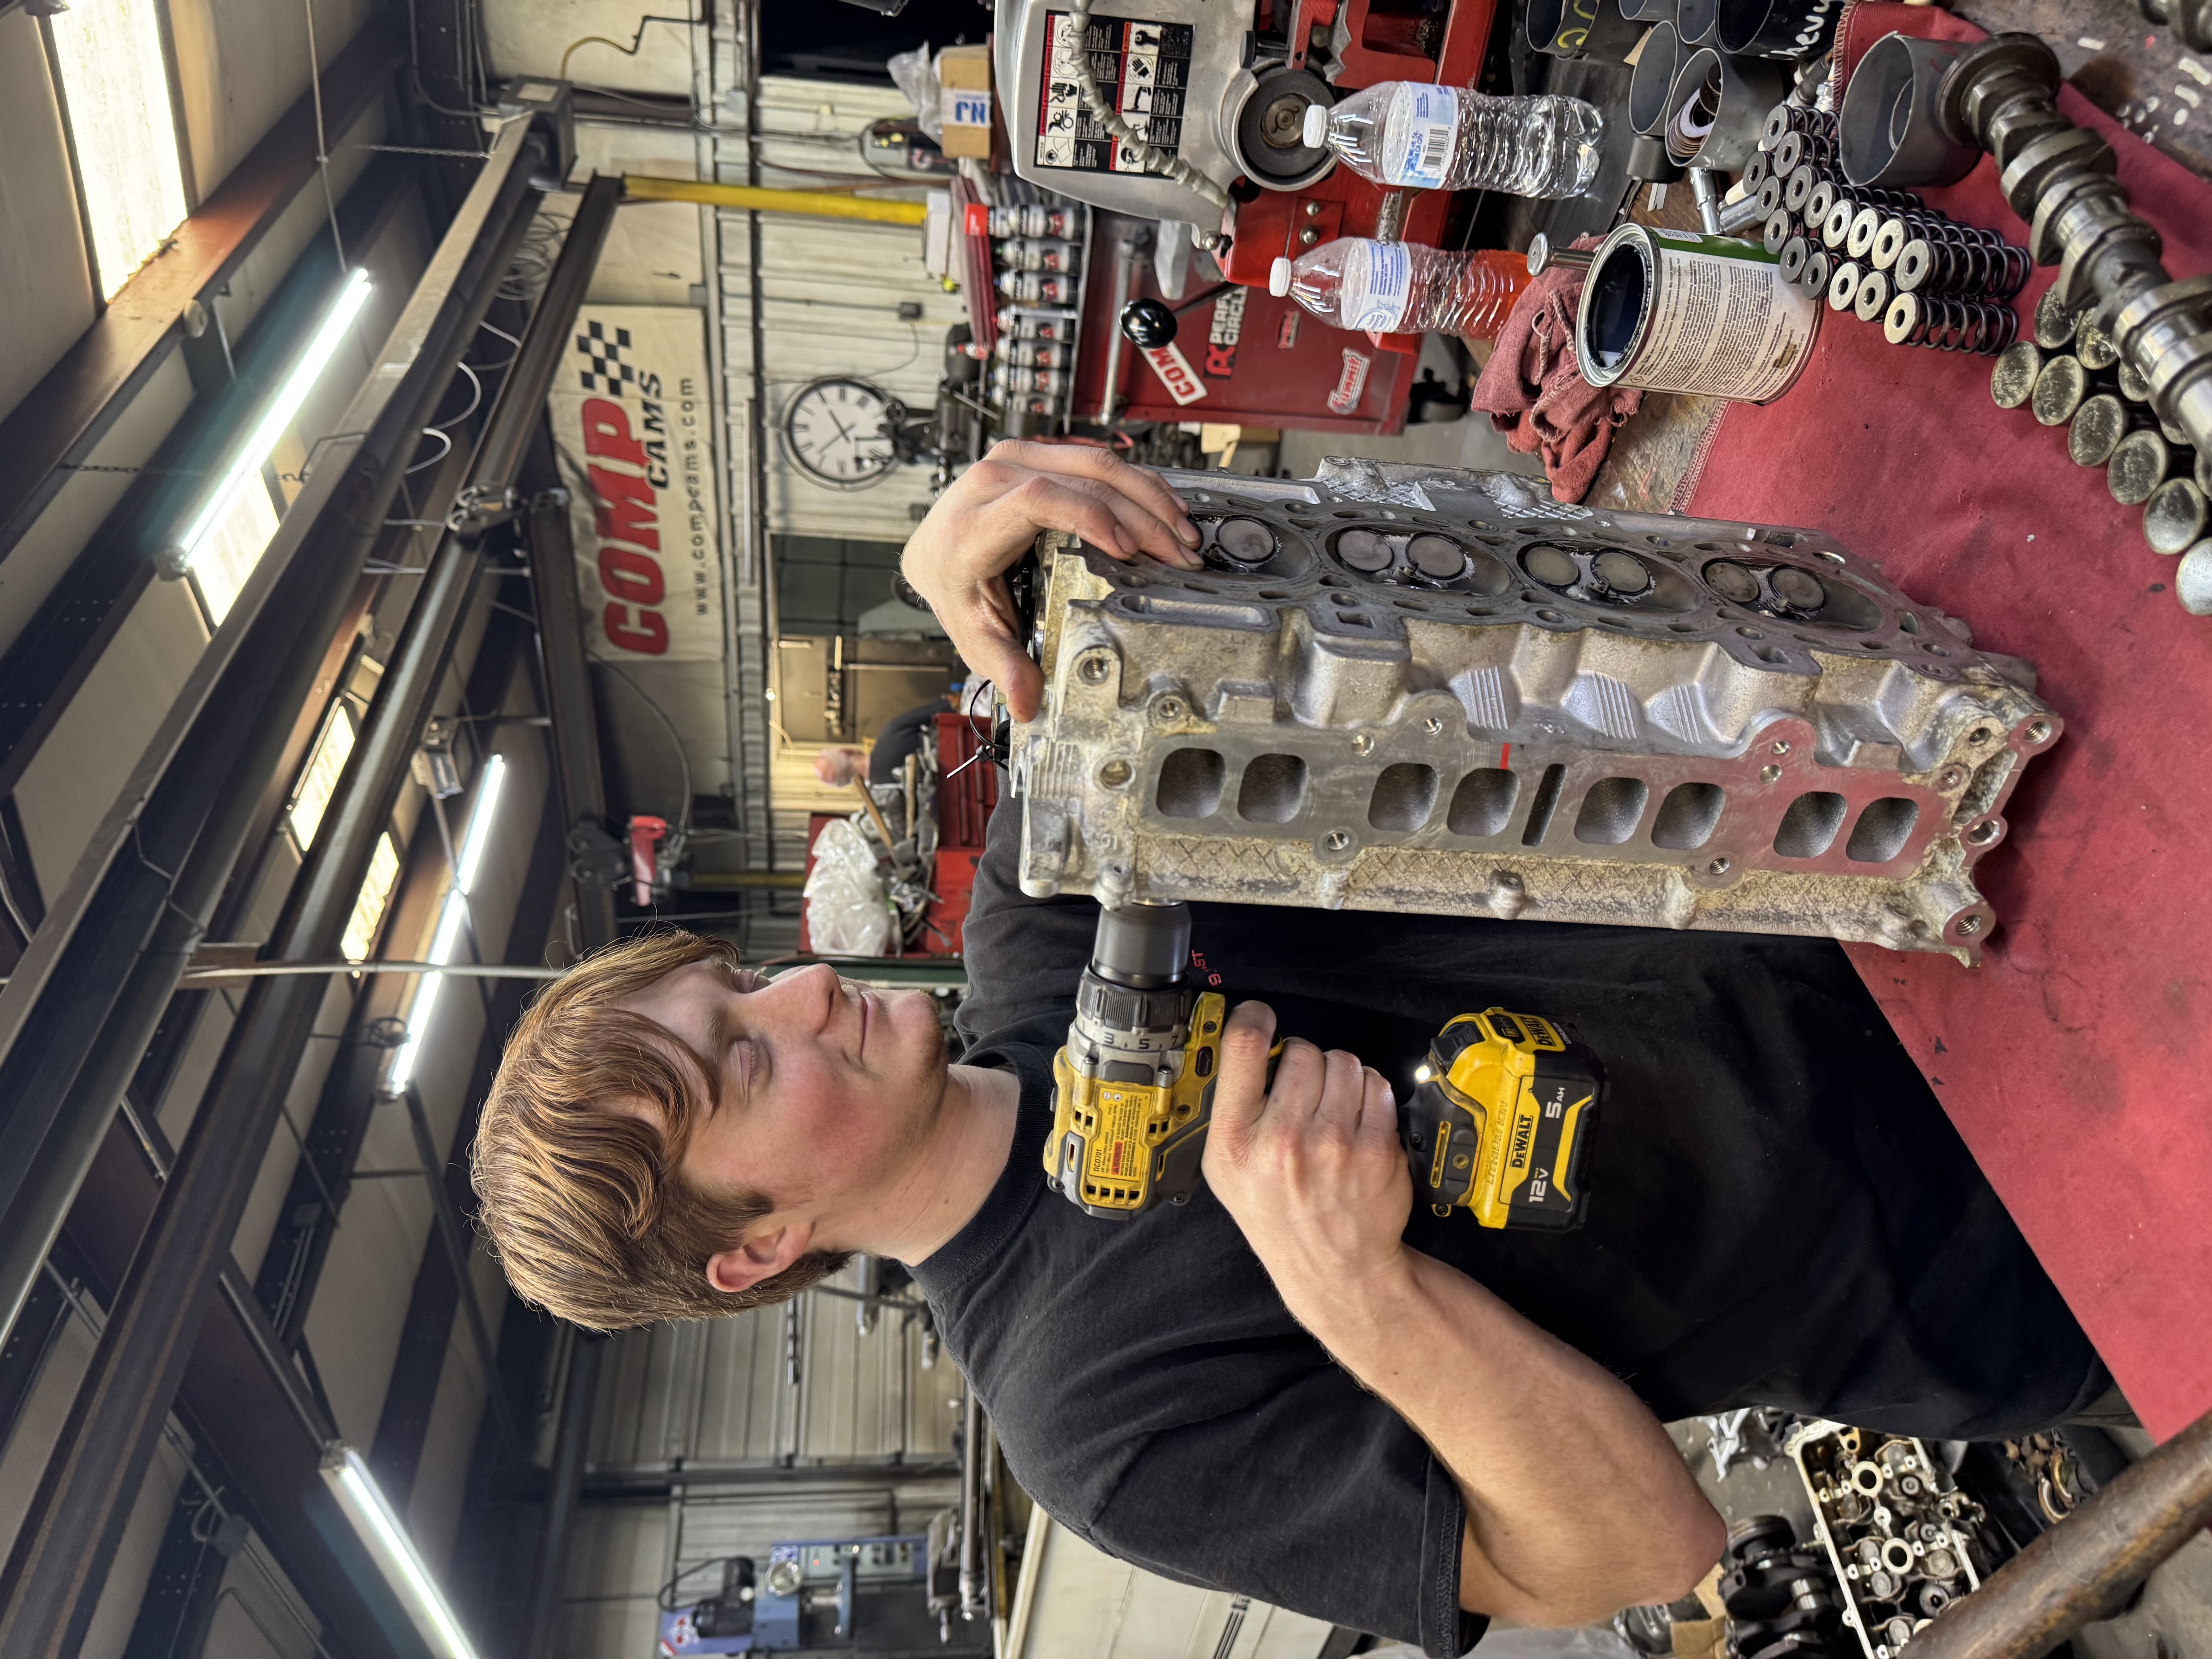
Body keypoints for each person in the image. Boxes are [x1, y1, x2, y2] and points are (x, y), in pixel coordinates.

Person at [473, 443, 2107, 1655]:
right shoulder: (1097, 1425)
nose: (805, 996)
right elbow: (1625, 1550)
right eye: (743, 1070)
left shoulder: (1047, 931)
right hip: (2010, 1251)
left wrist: (983, 572)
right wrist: (1361, 1293)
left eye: (743, 988)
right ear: (756, 1249)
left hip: (1954, 935)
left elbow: (1108, 627)